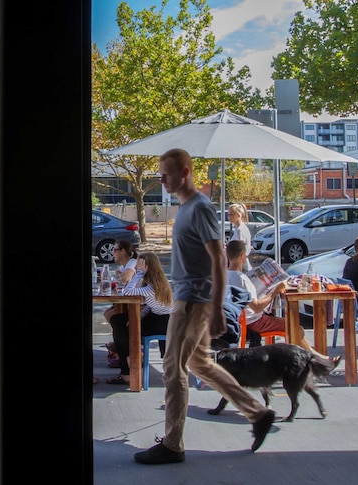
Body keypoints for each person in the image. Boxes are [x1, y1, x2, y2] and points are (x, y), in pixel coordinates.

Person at [134, 148, 275, 466]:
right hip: (189, 298)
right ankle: (258, 412)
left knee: (173, 369)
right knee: (199, 365)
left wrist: (214, 309)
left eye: (167, 173)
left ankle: (173, 444)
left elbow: (220, 259)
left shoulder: (200, 207)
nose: (162, 180)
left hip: (193, 302)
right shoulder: (185, 208)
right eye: (160, 174)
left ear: (185, 171)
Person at [226, 240, 339, 363]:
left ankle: (316, 358)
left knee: (292, 325)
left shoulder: (224, 276)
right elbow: (257, 308)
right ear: (242, 256)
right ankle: (312, 360)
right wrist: (275, 290)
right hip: (253, 321)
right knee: (296, 328)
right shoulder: (242, 279)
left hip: (238, 320)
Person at [105, 252, 173, 385]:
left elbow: (127, 292)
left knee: (119, 323)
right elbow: (151, 305)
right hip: (161, 319)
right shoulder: (159, 283)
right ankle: (128, 357)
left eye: (139, 266)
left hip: (161, 323)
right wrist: (139, 317)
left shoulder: (150, 287)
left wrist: (139, 274)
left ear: (147, 268)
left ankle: (128, 366)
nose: (136, 269)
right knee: (119, 321)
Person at [103, 240, 139, 326]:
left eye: (115, 250)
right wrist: (120, 277)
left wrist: (120, 277)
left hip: (140, 302)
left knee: (112, 315)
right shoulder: (124, 266)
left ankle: (126, 338)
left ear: (123, 251)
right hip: (131, 299)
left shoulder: (132, 262)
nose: (112, 253)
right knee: (108, 313)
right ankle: (120, 338)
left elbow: (126, 278)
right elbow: (117, 273)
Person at [228, 203, 252, 271]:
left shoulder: (240, 230)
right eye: (228, 215)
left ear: (239, 215)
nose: (229, 217)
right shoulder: (240, 228)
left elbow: (239, 249)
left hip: (240, 265)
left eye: (232, 214)